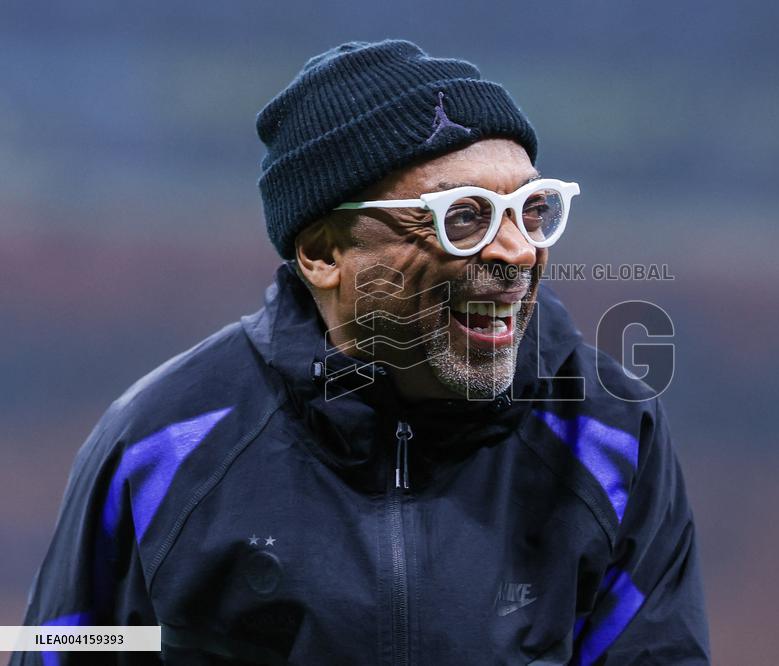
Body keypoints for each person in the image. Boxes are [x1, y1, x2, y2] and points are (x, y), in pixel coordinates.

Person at [13, 39, 710, 665]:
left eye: (533, 210)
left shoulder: (612, 431)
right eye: (462, 217)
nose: (518, 251)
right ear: (322, 253)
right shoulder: (161, 442)